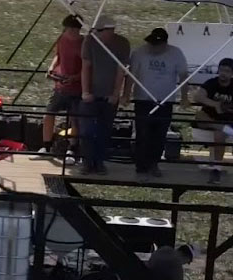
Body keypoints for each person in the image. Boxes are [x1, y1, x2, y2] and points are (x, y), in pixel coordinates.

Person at [123, 28, 189, 177]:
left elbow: (183, 75)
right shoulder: (139, 52)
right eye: (151, 43)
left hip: (165, 100)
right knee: (142, 134)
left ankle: (154, 163)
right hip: (143, 100)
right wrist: (126, 94)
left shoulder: (176, 54)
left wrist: (184, 97)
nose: (153, 47)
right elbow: (131, 75)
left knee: (159, 135)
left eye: (157, 44)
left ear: (165, 43)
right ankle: (141, 165)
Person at [79, 14, 130, 175]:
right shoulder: (90, 41)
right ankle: (87, 162)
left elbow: (121, 70)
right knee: (86, 131)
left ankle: (100, 162)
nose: (98, 34)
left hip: (109, 95)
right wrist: (86, 91)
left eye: (101, 31)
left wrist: (116, 93)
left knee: (105, 130)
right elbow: (86, 66)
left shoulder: (122, 43)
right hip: (91, 94)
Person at [30, 15, 84, 165]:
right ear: (65, 27)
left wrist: (74, 78)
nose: (73, 31)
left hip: (77, 88)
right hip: (60, 86)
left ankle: (72, 149)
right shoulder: (61, 39)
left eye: (76, 28)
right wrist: (51, 68)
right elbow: (58, 56)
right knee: (48, 114)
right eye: (70, 28)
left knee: (75, 119)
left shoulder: (84, 43)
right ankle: (46, 147)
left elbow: (87, 68)